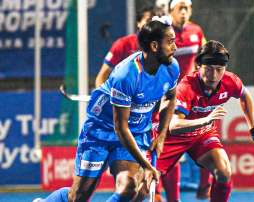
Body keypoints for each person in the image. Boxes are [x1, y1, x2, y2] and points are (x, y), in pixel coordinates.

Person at [36, 16, 179, 202]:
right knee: (78, 197)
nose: (175, 48)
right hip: (100, 131)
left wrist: (161, 136)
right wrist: (146, 164)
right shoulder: (126, 75)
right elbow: (120, 127)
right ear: (153, 46)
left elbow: (170, 97)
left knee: (132, 188)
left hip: (134, 133)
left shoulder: (171, 68)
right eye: (170, 42)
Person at [155, 40, 254, 202]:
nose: (214, 75)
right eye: (208, 69)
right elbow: (174, 126)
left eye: (219, 69)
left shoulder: (230, 82)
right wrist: (206, 120)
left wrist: (253, 128)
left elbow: (245, 96)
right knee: (143, 186)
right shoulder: (186, 87)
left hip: (202, 134)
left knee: (224, 172)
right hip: (172, 138)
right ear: (198, 66)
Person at [153, 1, 210, 201]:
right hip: (164, 96)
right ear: (171, 11)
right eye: (180, 8)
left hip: (190, 96)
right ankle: (157, 192)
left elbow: (205, 58)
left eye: (187, 8)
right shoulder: (163, 33)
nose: (184, 12)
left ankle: (205, 187)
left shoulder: (197, 31)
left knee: (204, 135)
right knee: (164, 143)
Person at [95, 6, 153, 87]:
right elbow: (101, 77)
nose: (152, 25)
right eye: (148, 20)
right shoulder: (122, 44)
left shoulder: (162, 47)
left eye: (155, 22)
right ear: (138, 23)